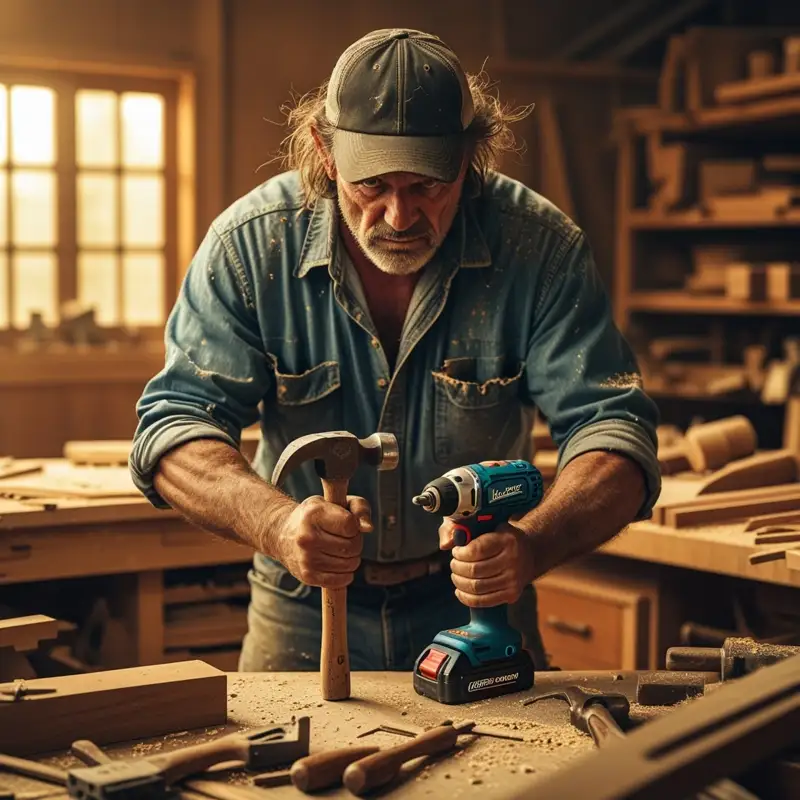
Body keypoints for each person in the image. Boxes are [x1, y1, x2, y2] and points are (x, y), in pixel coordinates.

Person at [129, 28, 661, 673]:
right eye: (372, 186)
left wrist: (531, 546)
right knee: (272, 766)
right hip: (301, 599)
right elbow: (174, 428)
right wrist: (276, 526)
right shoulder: (250, 248)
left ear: (471, 159)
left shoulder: (539, 249)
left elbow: (615, 432)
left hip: (479, 600)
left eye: (428, 187)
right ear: (326, 154)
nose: (400, 216)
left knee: (522, 776)